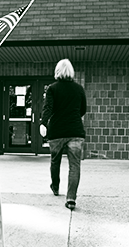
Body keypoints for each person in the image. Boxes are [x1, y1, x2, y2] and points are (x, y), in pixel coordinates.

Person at [40, 59, 87, 210]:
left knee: (55, 160)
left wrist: (43, 123)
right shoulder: (79, 88)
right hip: (75, 131)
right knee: (74, 165)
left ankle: (55, 187)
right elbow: (83, 110)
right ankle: (71, 198)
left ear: (57, 71)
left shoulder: (52, 89)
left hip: (57, 131)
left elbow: (48, 108)